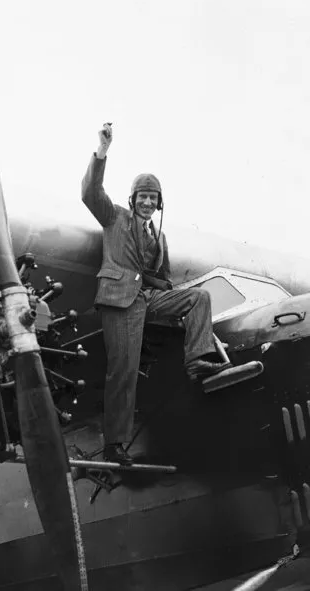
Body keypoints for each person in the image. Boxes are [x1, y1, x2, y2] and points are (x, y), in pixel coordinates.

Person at [81, 123, 243, 466]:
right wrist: (102, 150)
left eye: (153, 198)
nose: (147, 202)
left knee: (199, 298)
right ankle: (115, 444)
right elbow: (90, 194)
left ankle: (197, 360)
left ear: (159, 203)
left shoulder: (160, 238)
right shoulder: (114, 218)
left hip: (146, 300)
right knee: (123, 369)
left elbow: (163, 280)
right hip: (118, 300)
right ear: (133, 199)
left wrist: (195, 325)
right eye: (143, 196)